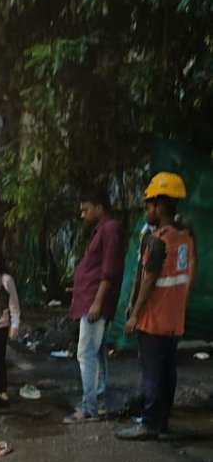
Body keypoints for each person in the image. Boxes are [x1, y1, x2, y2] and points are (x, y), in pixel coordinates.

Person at [118, 172, 195, 440]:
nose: (147, 210)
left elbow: (149, 280)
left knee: (152, 371)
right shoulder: (185, 237)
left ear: (161, 206)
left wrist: (134, 314)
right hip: (174, 318)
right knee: (167, 371)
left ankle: (149, 423)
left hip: (155, 318)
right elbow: (188, 277)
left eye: (149, 205)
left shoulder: (158, 239)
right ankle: (162, 420)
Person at [65, 186, 124, 423]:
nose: (83, 215)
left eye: (86, 210)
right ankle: (97, 402)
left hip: (94, 303)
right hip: (91, 302)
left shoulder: (110, 229)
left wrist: (97, 302)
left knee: (86, 353)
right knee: (97, 353)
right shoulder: (104, 230)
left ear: (99, 207)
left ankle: (89, 407)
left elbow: (109, 272)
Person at [0, 253, 20, 404]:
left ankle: (2, 389)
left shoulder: (6, 280)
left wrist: (15, 323)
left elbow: (13, 303)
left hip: (0, 325)